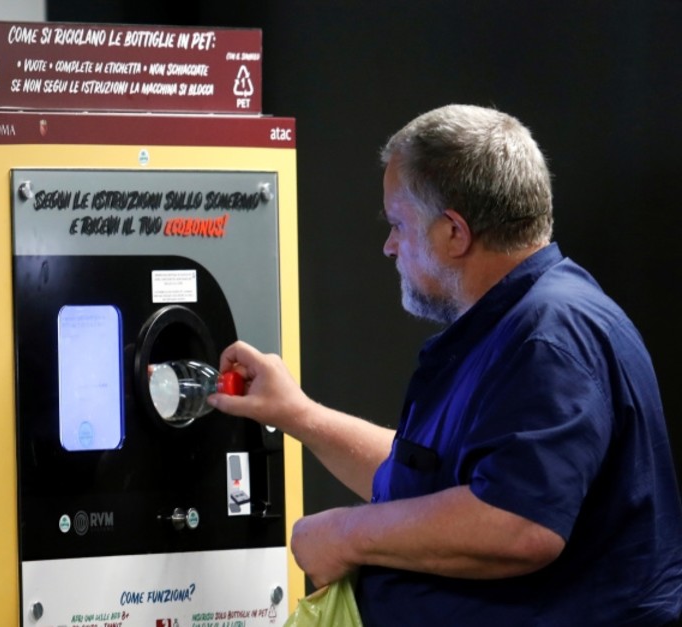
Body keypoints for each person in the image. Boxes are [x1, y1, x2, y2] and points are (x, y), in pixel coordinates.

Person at [208, 104, 682, 625]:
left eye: (397, 224)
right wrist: (297, 414)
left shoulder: (550, 338)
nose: (389, 247)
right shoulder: (514, 325)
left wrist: (346, 534)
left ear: (454, 232)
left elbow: (517, 523)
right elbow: (429, 493)